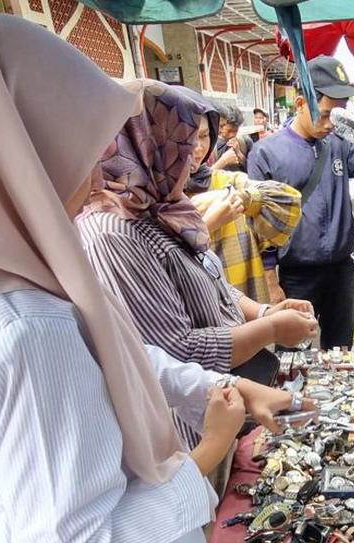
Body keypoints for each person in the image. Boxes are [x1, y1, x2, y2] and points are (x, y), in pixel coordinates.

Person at [0, 14, 301, 543]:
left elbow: (111, 355)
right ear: (15, 149)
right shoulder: (21, 330)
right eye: (81, 146)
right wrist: (208, 451)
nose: (100, 173)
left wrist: (217, 388)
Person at [76, 80, 318, 462]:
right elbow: (176, 350)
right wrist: (270, 329)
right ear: (144, 144)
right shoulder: (114, 232)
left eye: (197, 143)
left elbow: (214, 287)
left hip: (227, 402)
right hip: (192, 427)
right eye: (183, 144)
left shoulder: (163, 207)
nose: (196, 158)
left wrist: (267, 312)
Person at [247, 56, 354, 347]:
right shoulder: (266, 153)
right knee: (293, 356)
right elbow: (257, 228)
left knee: (341, 351)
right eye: (326, 113)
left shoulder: (338, 146)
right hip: (296, 276)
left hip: (341, 272)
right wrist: (272, 283)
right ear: (301, 103)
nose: (332, 124)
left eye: (337, 116)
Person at [178, 89, 303, 304]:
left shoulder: (228, 183)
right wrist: (204, 226)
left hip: (246, 304)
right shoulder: (147, 203)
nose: (197, 148)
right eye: (186, 138)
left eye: (204, 136)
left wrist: (242, 198)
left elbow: (289, 202)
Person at [212, 103, 250, 172]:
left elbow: (254, 169)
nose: (232, 135)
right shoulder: (210, 145)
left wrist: (240, 155)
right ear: (221, 125)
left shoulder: (245, 142)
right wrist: (223, 161)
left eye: (235, 131)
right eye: (229, 131)